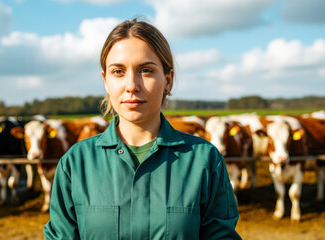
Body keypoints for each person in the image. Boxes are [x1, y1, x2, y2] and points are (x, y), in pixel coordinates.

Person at [44, 19, 242, 239]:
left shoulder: (204, 160)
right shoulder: (76, 163)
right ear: (105, 81)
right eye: (118, 71)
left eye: (146, 70)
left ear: (168, 80)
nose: (132, 85)